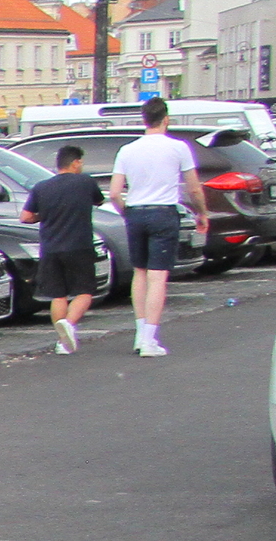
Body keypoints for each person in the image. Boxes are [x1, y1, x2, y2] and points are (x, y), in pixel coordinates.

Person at [107, 97, 206, 357]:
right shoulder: (178, 148)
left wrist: (126, 212)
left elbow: (115, 193)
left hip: (136, 212)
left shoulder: (127, 150)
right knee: (158, 276)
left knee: (139, 273)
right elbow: (194, 187)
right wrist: (201, 212)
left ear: (144, 120)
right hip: (163, 212)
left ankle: (140, 334)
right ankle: (150, 339)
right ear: (166, 119)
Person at [20, 145, 104, 353]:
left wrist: (43, 215)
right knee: (84, 292)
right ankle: (69, 323)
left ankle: (62, 342)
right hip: (79, 245)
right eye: (80, 162)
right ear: (75, 162)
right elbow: (99, 201)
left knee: (58, 295)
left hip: (50, 247)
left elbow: (26, 217)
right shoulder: (85, 182)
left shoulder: (41, 187)